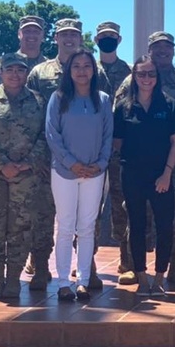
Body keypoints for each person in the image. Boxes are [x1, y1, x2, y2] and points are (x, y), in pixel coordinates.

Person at [118, 31, 175, 287]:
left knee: (174, 219)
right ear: (149, 51)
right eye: (157, 47)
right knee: (135, 218)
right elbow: (118, 128)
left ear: (174, 51)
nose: (162, 51)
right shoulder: (127, 87)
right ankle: (131, 265)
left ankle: (174, 267)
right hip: (135, 168)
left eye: (167, 47)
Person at [0, 53, 48, 300]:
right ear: (0, 72)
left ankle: (13, 279)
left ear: (26, 74)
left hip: (26, 177)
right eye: (10, 70)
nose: (15, 74)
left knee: (20, 229)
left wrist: (27, 164)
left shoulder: (38, 102)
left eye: (20, 70)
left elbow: (47, 136)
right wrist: (2, 165)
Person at [112, 55, 175, 297]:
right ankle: (142, 277)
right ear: (134, 77)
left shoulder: (170, 105)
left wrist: (167, 173)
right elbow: (118, 142)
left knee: (165, 226)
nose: (146, 78)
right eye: (141, 74)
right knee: (137, 225)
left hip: (161, 175)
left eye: (151, 74)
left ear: (157, 76)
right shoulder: (124, 106)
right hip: (132, 174)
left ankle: (160, 278)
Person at [45, 49, 113, 301]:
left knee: (86, 228)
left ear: (94, 70)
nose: (82, 71)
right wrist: (72, 163)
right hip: (64, 172)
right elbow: (52, 135)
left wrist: (101, 162)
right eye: (77, 66)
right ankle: (63, 282)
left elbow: (108, 135)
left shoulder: (103, 99)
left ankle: (82, 280)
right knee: (65, 226)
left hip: (95, 172)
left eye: (87, 66)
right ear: (69, 71)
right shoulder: (58, 97)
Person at [25, 17, 85, 291]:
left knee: (83, 213)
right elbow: (30, 114)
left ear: (81, 39)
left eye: (74, 35)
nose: (69, 39)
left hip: (82, 157)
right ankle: (40, 266)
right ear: (56, 39)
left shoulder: (91, 69)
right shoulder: (40, 72)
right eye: (64, 35)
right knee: (43, 213)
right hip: (45, 156)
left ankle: (87, 265)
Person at [93, 20, 133, 283]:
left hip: (118, 148)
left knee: (121, 204)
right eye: (103, 37)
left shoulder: (129, 72)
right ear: (96, 41)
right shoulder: (85, 68)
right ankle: (87, 259)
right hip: (91, 147)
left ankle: (126, 260)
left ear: (119, 41)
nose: (107, 40)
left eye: (112, 37)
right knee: (89, 206)